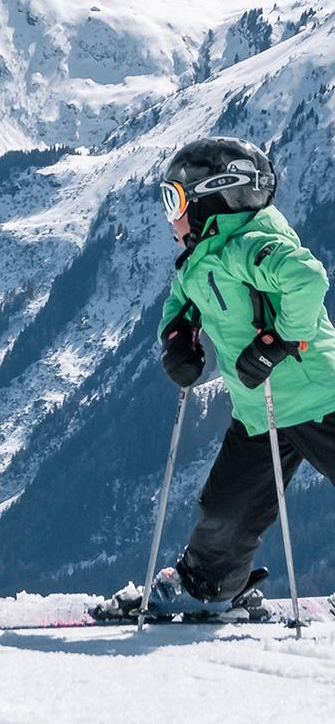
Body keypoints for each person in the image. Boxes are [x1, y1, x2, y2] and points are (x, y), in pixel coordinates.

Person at [144, 135, 335, 614]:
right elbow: (181, 299)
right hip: (259, 409)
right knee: (225, 510)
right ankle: (207, 586)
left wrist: (278, 341)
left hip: (318, 395)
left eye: (175, 199)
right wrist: (177, 336)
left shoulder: (249, 245)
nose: (170, 216)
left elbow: (306, 279)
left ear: (212, 197)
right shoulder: (202, 257)